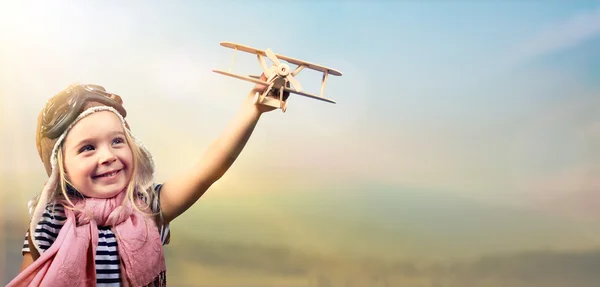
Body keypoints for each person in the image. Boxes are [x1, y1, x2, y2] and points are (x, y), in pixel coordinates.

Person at [8, 75, 284, 287]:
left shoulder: (148, 206)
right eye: (88, 148)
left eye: (117, 141)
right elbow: (30, 278)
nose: (108, 156)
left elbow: (207, 169)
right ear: (61, 168)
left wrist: (252, 110)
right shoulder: (51, 219)